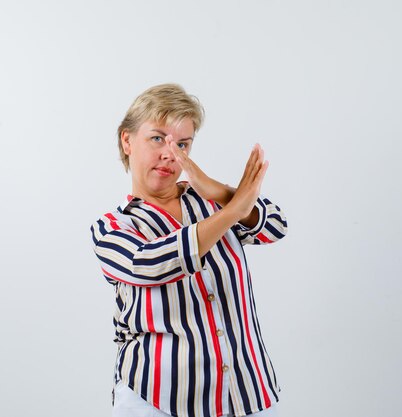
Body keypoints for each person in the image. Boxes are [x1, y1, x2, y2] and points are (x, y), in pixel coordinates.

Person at [90, 83, 288, 417]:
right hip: (156, 400)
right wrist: (231, 212)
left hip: (244, 394)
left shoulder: (215, 203)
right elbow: (151, 263)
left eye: (182, 143)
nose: (170, 153)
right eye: (157, 138)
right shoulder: (113, 227)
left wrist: (219, 192)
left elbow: (274, 227)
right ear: (127, 141)